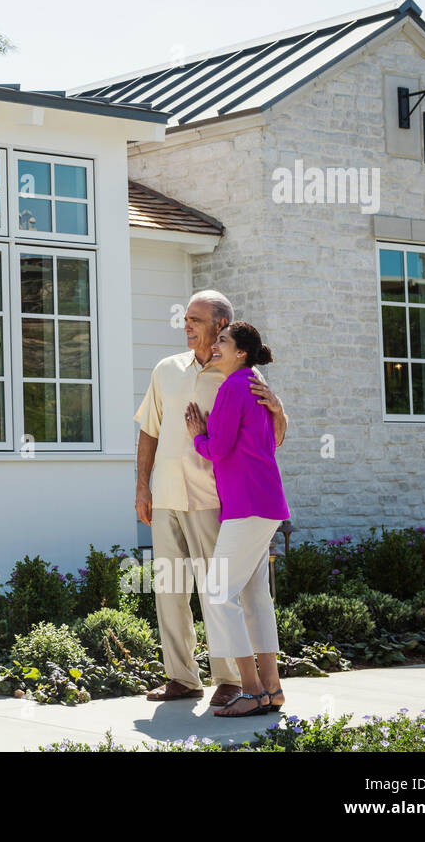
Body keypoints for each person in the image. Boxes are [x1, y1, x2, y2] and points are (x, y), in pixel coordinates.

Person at [134, 291, 286, 705]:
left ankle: (231, 680)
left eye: (195, 320)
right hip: (167, 496)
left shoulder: (241, 375)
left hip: (216, 500)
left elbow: (271, 438)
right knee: (169, 588)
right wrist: (142, 486)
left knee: (219, 590)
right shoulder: (166, 370)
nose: (186, 326)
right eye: (185, 318)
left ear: (221, 326)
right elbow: (149, 429)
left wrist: (281, 411)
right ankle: (182, 677)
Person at [186, 321, 290, 717]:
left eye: (223, 342)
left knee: (217, 593)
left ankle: (250, 689)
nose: (215, 346)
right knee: (254, 596)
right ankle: (272, 688)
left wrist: (199, 434)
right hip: (266, 503)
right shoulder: (254, 380)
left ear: (240, 351)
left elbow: (220, 448)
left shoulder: (233, 386)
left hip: (247, 505)